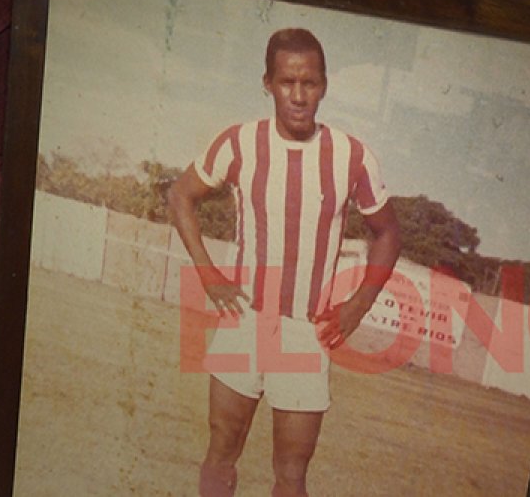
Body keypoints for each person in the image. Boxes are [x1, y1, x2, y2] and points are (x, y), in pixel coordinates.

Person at [167, 28, 401, 497]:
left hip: (304, 330)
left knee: (292, 474)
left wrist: (356, 306)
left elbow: (389, 232)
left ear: (324, 85)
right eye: (287, 82)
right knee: (221, 452)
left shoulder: (352, 156)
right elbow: (179, 196)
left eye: (309, 83)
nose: (298, 95)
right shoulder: (239, 142)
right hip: (245, 318)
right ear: (268, 83)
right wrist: (209, 274)